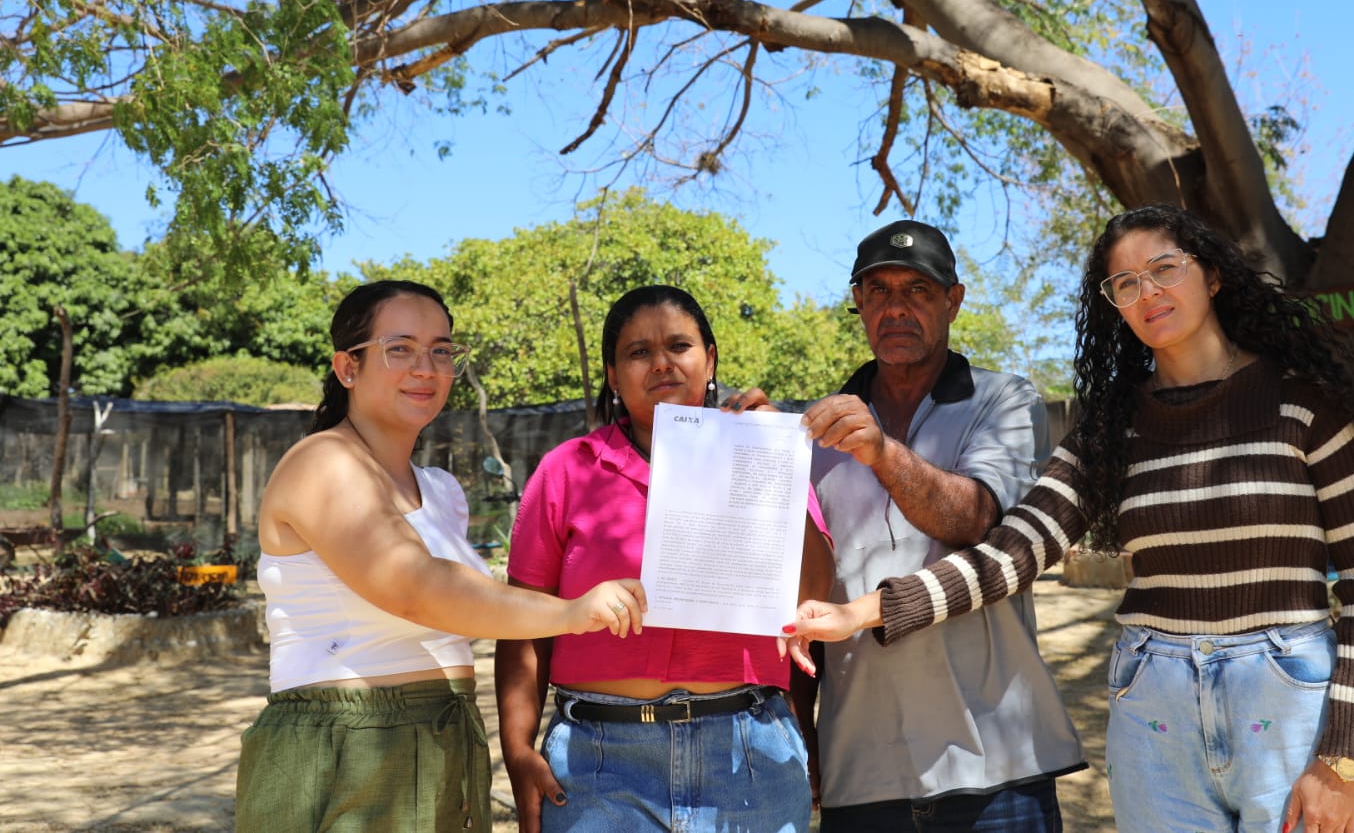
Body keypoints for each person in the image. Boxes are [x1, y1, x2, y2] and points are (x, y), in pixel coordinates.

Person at [787, 205, 1354, 833]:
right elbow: (1013, 553)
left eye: (1165, 269)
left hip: (1288, 703)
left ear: (1212, 275)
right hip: (1154, 707)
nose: (1148, 293)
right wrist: (859, 613)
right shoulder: (1112, 429)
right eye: (1126, 283)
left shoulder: (1306, 405)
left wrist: (1344, 758)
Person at [235, 280, 645, 832]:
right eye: (400, 348)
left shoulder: (441, 489)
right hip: (348, 748)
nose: (426, 368)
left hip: (445, 735)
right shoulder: (322, 462)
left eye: (442, 350)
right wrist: (572, 612)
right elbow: (416, 588)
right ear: (348, 367)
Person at [728, 220, 1084, 832]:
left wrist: (881, 452)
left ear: (953, 300)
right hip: (862, 771)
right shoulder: (808, 437)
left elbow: (977, 518)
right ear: (859, 303)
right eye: (879, 291)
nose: (896, 308)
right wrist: (755, 446)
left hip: (998, 765)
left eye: (918, 290)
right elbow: (795, 603)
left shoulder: (1003, 401)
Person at [495, 284, 836, 833]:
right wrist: (517, 750)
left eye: (679, 346)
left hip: (748, 758)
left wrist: (774, 461)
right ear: (612, 375)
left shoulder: (766, 454)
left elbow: (812, 596)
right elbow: (521, 625)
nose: (661, 363)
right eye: (638, 352)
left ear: (710, 359)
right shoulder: (567, 470)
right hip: (597, 764)